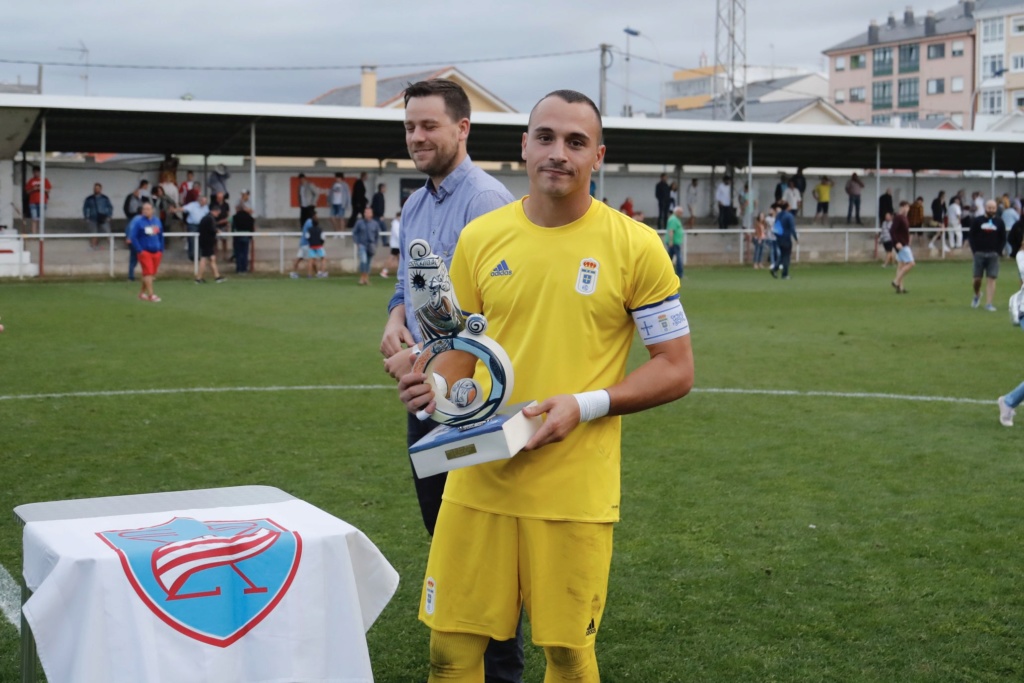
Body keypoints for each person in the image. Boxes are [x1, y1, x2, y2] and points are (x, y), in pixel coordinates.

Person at [396, 88, 693, 683]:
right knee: (450, 653)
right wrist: (429, 383)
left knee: (567, 656)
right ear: (523, 146)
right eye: (547, 137)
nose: (559, 152)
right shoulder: (481, 239)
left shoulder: (637, 246)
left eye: (576, 142)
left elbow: (675, 368)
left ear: (598, 155)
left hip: (572, 491)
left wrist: (583, 407)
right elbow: (456, 358)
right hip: (477, 480)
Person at [378, 78, 519, 683]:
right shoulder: (415, 203)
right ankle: (469, 658)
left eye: (429, 126)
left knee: (478, 537)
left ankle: (501, 669)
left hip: (472, 401)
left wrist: (436, 362)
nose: (416, 137)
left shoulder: (487, 201)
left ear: (463, 129)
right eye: (410, 126)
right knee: (443, 530)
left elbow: (500, 314)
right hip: (425, 395)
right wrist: (393, 321)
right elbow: (409, 285)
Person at [969, 199, 1006, 311]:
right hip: (979, 254)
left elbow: (1003, 238)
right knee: (977, 280)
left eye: (993, 208)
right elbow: (971, 236)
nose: (991, 210)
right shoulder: (977, 221)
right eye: (989, 208)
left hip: (993, 255)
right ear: (985, 207)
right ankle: (977, 294)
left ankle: (989, 303)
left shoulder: (1000, 222)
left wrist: (998, 251)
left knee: (991, 279)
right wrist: (975, 251)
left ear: (996, 209)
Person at [127, 202, 164, 302]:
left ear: (152, 210)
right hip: (145, 251)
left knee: (151, 274)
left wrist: (161, 249)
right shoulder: (139, 222)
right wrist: (140, 250)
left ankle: (142, 293)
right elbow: (133, 237)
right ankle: (151, 295)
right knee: (148, 272)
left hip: (156, 251)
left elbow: (160, 236)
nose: (145, 211)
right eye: (144, 209)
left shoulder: (157, 221)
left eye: (147, 209)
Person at [195, 204, 227, 284]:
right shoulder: (210, 219)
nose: (218, 214)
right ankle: (199, 278)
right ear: (214, 211)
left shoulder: (206, 218)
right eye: (217, 212)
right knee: (205, 259)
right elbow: (212, 229)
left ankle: (217, 277)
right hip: (207, 242)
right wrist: (218, 231)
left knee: (211, 259)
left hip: (204, 241)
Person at [770, 201, 798, 279]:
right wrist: (796, 238)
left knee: (782, 255)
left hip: (779, 238)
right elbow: (792, 228)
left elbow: (775, 227)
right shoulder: (789, 216)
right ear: (787, 207)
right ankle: (785, 274)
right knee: (786, 257)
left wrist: (777, 236)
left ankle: (775, 268)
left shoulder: (778, 215)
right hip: (786, 238)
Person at [890, 200, 914, 294]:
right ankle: (896, 281)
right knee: (911, 263)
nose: (908, 209)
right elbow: (892, 231)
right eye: (907, 207)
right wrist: (896, 242)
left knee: (901, 266)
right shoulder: (898, 218)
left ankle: (900, 288)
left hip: (904, 243)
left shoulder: (904, 218)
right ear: (903, 207)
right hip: (901, 245)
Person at [353, 207, 380, 285]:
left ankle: (366, 278)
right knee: (363, 260)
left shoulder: (375, 224)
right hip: (362, 244)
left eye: (369, 212)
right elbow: (355, 233)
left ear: (371, 214)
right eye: (366, 212)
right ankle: (362, 277)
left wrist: (375, 244)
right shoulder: (359, 223)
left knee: (368, 262)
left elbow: (376, 235)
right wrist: (357, 242)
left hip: (371, 245)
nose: (367, 214)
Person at [82, 183, 113, 249]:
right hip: (92, 218)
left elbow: (110, 207)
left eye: (98, 188)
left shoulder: (105, 198)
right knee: (94, 233)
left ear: (101, 189)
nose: (96, 190)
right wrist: (86, 217)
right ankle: (93, 246)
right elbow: (85, 208)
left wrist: (109, 216)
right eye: (95, 188)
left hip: (103, 217)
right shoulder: (89, 198)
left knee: (108, 232)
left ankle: (112, 246)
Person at [232, 190, 255, 274]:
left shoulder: (235, 217)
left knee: (239, 252)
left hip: (239, 234)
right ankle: (243, 269)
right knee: (244, 253)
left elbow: (233, 227)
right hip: (245, 235)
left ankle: (239, 269)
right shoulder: (249, 218)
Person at [181, 195, 210, 263]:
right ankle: (192, 257)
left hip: (202, 226)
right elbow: (184, 209)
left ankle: (199, 256)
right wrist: (175, 210)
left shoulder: (206, 207)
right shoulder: (192, 205)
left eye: (205, 201)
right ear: (199, 200)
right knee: (192, 241)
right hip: (192, 225)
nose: (204, 203)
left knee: (201, 241)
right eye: (203, 201)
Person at [24, 167, 52, 234]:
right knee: (34, 218)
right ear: (33, 172)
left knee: (41, 218)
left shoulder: (45, 180)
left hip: (42, 202)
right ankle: (34, 233)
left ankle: (41, 233)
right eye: (34, 172)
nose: (36, 173)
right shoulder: (31, 180)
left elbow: (48, 190)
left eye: (37, 172)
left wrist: (41, 188)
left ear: (40, 172)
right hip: (32, 202)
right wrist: (33, 189)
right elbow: (27, 192)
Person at [210, 191, 231, 262]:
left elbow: (228, 214)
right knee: (215, 241)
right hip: (215, 224)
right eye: (218, 197)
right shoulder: (213, 204)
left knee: (224, 240)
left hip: (224, 225)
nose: (220, 199)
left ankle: (225, 255)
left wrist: (227, 222)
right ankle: (215, 256)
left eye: (221, 197)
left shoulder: (226, 205)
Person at [305, 211, 327, 278]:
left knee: (310, 260)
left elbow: (307, 237)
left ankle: (309, 274)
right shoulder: (320, 229)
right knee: (323, 258)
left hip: (312, 246)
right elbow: (323, 238)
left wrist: (311, 242)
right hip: (319, 246)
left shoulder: (309, 230)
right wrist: (321, 243)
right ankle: (322, 273)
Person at [665, 205, 684, 278]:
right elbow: (671, 231)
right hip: (674, 242)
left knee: (669, 258)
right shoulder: (673, 220)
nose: (681, 214)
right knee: (678, 258)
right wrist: (671, 241)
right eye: (680, 212)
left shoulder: (675, 219)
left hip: (675, 242)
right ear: (676, 212)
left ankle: (667, 272)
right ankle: (680, 273)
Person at [381, 209, 400, 278]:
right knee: (392, 258)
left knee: (399, 259)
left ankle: (400, 272)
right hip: (396, 245)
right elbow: (397, 234)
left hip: (398, 245)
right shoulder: (395, 224)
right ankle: (385, 270)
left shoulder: (398, 223)